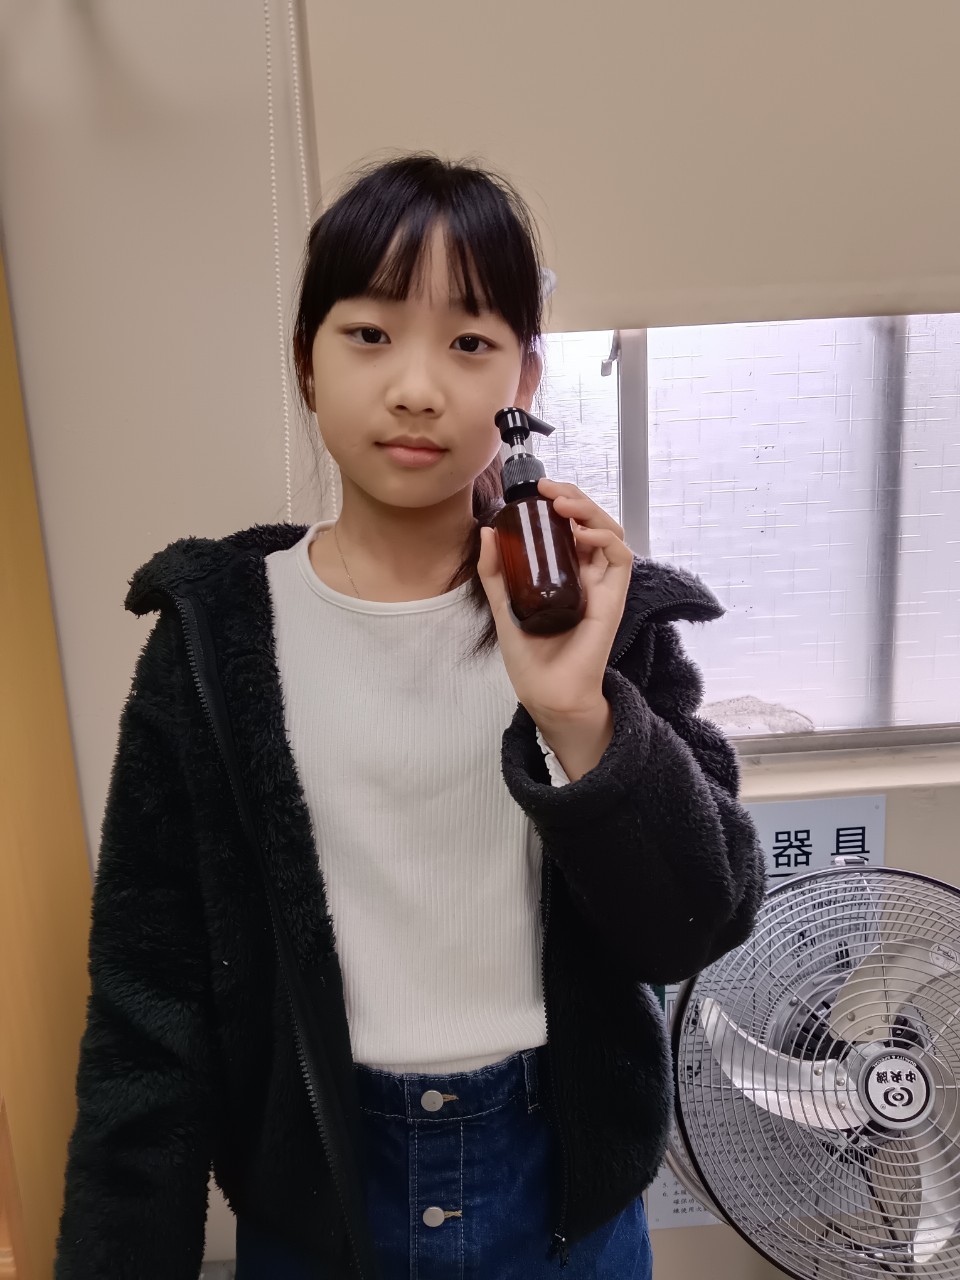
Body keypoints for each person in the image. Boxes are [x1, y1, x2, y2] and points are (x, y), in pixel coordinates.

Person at [54, 153, 766, 1280]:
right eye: (370, 333)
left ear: (525, 373)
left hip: (563, 1200)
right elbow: (150, 1016)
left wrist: (579, 712)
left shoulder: (606, 617)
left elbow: (694, 924)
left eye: (470, 341)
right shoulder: (212, 636)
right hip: (321, 1198)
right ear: (307, 359)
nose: (418, 387)